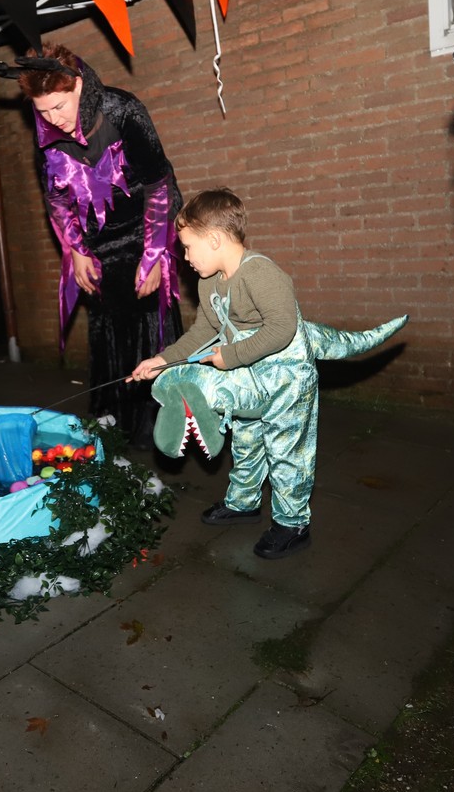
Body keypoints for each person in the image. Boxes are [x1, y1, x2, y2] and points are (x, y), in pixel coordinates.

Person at [129, 189, 406, 560]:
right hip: (249, 375)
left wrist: (230, 356)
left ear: (214, 239)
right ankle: (244, 503)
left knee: (286, 448)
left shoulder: (260, 273)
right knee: (246, 440)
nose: (186, 257)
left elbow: (282, 327)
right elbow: (203, 333)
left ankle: (293, 525)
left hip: (288, 374)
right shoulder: (209, 282)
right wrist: (162, 361)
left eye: (188, 247)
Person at [6, 43, 183, 448]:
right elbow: (55, 198)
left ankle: (159, 429)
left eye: (59, 106)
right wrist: (76, 251)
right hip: (97, 239)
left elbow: (158, 184)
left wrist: (154, 256)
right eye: (43, 111)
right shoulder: (45, 129)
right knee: (107, 326)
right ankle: (114, 424)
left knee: (149, 323)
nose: (53, 119)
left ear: (79, 85)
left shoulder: (123, 110)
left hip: (144, 227)